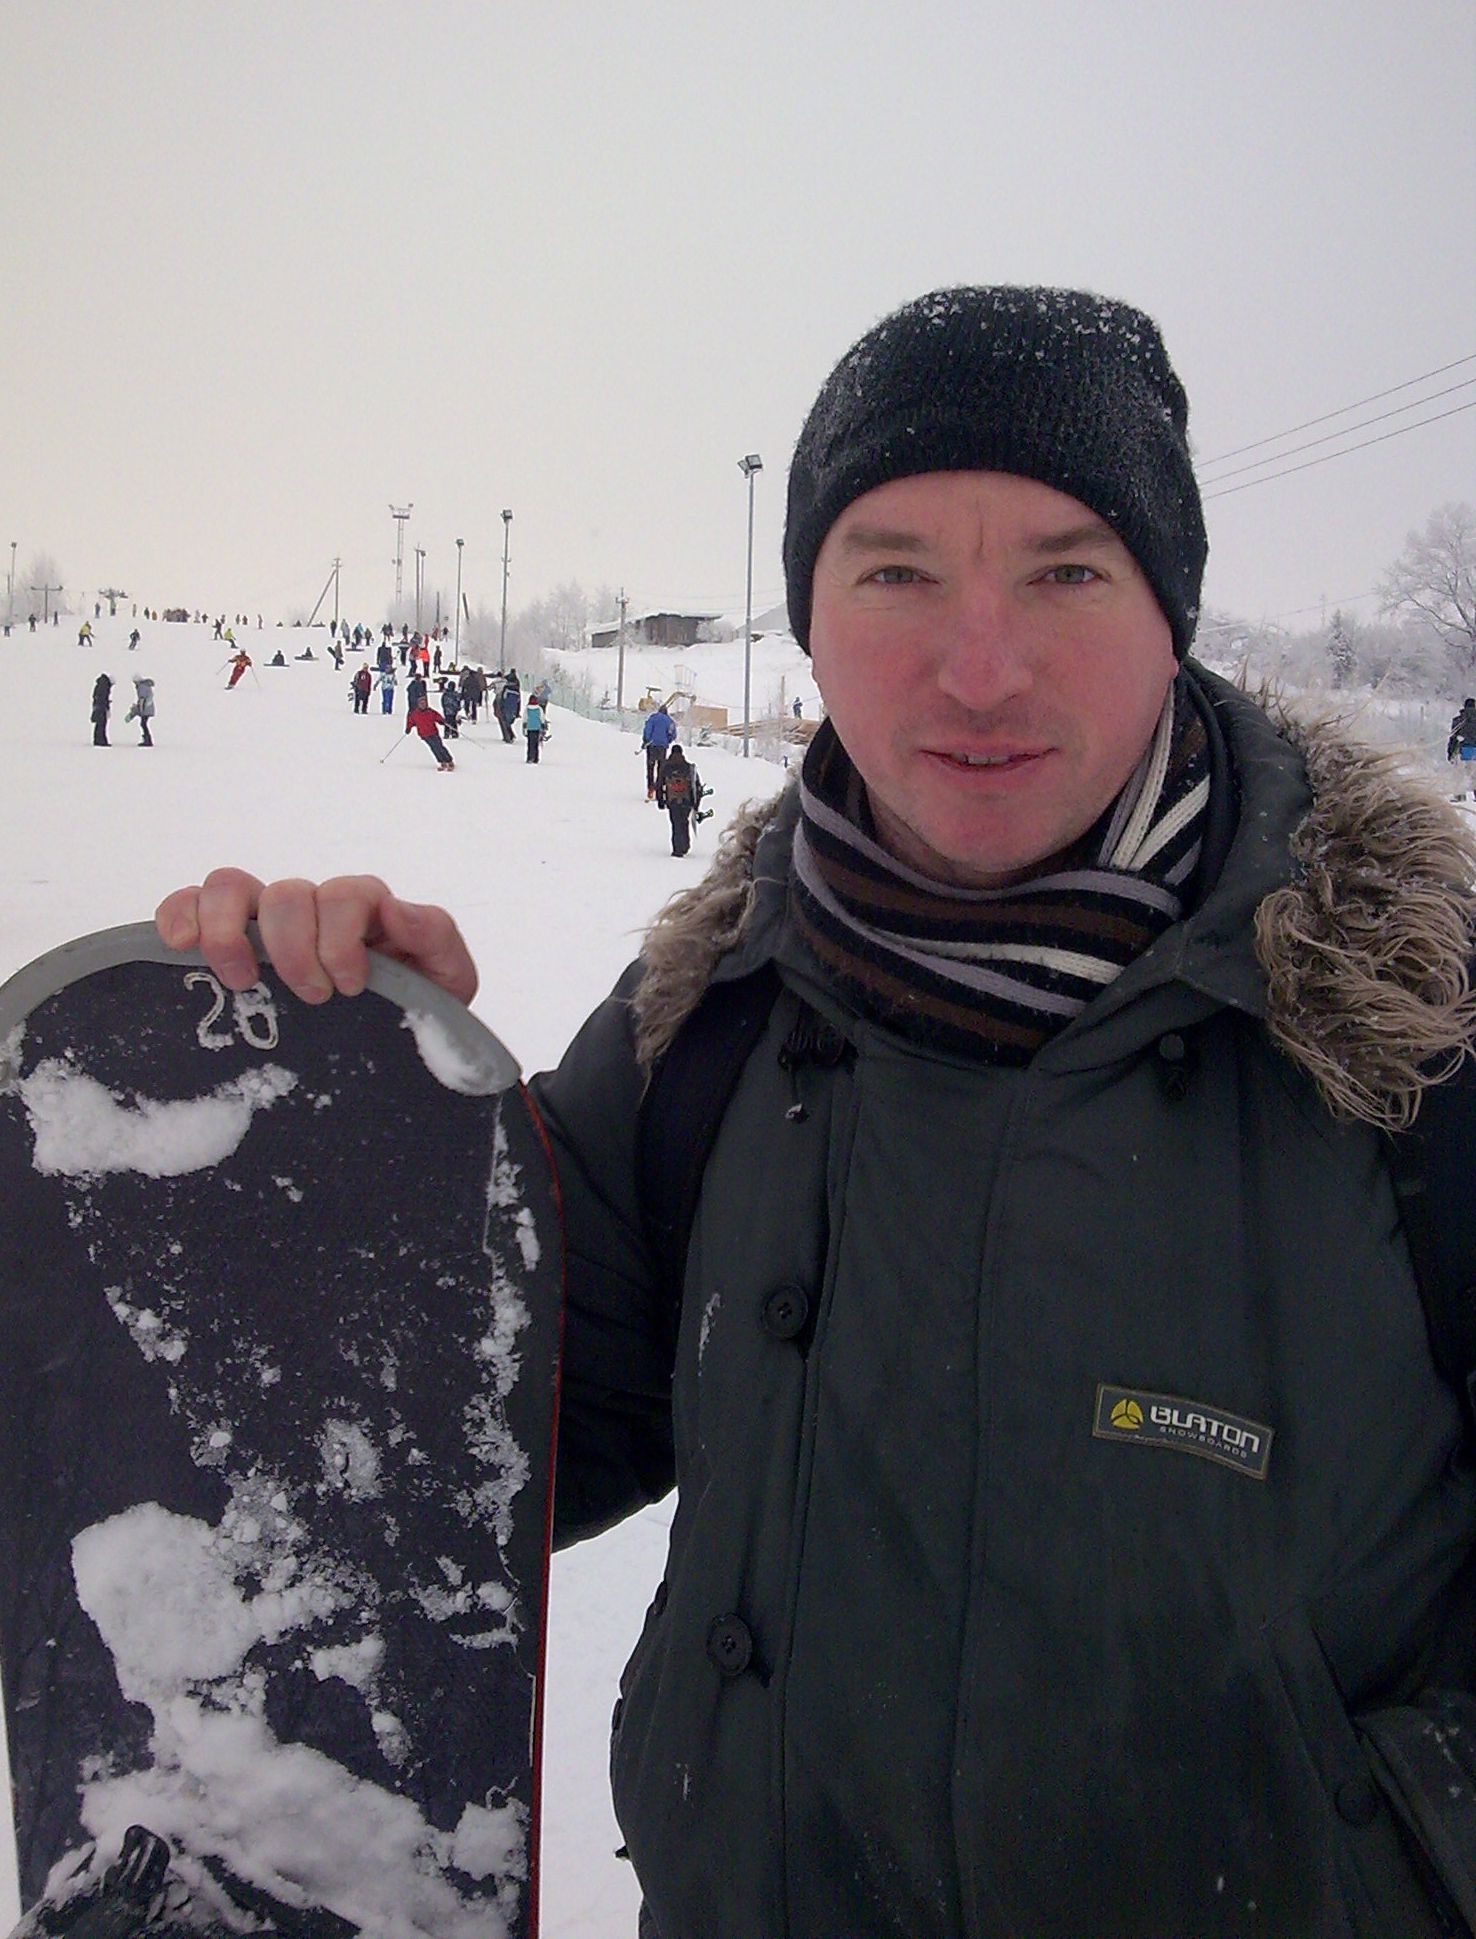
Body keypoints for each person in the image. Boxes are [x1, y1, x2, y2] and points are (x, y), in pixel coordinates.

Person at [159, 286, 1476, 1937]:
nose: (978, 669)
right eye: (895, 572)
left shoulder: (1417, 1049)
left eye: (1067, 571)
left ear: (1173, 613)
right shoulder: (700, 1026)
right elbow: (467, 1450)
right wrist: (366, 1127)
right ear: (811, 618)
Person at [657, 741, 702, 855]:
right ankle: (685, 845)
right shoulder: (689, 767)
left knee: (675, 824)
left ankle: (677, 848)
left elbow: (659, 784)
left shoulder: (666, 767)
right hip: (686, 801)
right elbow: (697, 786)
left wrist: (660, 800)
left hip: (672, 801)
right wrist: (696, 802)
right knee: (684, 822)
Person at [405, 701, 456, 771]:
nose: (423, 705)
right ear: (418, 705)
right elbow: (410, 721)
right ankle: (442, 762)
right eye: (421, 704)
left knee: (439, 746)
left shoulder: (430, 712)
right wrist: (408, 728)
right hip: (424, 734)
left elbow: (438, 717)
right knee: (434, 748)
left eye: (424, 704)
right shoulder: (415, 714)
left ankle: (449, 761)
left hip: (433, 733)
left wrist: (442, 721)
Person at [642, 703, 677, 801]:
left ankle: (650, 788)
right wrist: (667, 741)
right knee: (661, 769)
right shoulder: (670, 721)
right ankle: (659, 788)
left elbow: (647, 729)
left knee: (650, 767)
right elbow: (672, 734)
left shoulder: (653, 718)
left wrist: (646, 740)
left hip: (652, 745)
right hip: (662, 747)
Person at [1448, 697, 1476, 799]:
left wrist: (1450, 752)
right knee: (1474, 774)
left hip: (1460, 749)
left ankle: (1459, 795)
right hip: (1474, 750)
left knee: (1459, 775)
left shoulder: (1458, 720)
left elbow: (1453, 737)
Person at [124, 675, 154, 746]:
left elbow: (142, 700)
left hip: (145, 709)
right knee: (143, 724)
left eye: (135, 682)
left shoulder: (141, 687)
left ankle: (147, 740)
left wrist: (140, 710)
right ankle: (147, 739)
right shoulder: (145, 686)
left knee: (143, 724)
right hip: (148, 708)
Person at [524, 690, 547, 763]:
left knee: (530, 743)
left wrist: (524, 727)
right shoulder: (539, 708)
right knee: (536, 743)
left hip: (529, 727)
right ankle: (536, 758)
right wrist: (543, 725)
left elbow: (525, 718)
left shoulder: (527, 709)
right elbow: (542, 718)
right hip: (537, 727)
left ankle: (529, 757)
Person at [91, 673, 112, 747]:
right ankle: (101, 741)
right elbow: (103, 697)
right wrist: (106, 705)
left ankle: (97, 740)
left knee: (99, 724)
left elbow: (96, 696)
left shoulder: (100, 684)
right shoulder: (104, 686)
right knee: (101, 725)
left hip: (97, 707)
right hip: (101, 708)